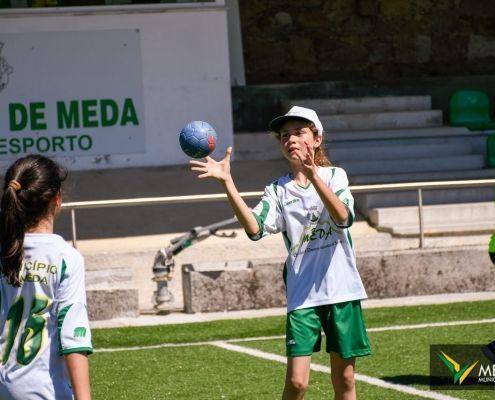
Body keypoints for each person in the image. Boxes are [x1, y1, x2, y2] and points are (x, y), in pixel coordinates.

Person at [190, 106, 371, 400]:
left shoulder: (335, 176)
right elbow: (254, 228)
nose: (291, 140)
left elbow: (343, 218)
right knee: (298, 383)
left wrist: (314, 177)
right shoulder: (277, 190)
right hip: (302, 297)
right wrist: (228, 183)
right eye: (285, 135)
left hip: (342, 291)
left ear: (316, 138)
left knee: (346, 380)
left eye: (299, 132)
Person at [0, 154, 93, 400]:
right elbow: (73, 336)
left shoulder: (4, 251)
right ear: (56, 199)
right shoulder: (65, 258)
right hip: (43, 391)